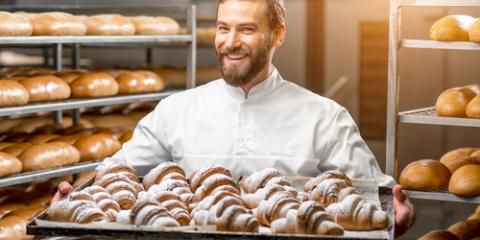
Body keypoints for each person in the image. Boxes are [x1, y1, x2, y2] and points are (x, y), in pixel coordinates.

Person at [53, 0, 415, 236]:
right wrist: (73, 198)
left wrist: (400, 212)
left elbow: (375, 194)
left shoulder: (323, 116)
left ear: (278, 35)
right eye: (224, 28)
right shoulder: (177, 110)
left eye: (246, 29)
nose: (230, 42)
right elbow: (114, 174)